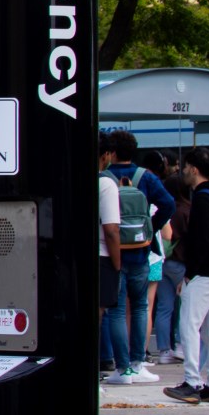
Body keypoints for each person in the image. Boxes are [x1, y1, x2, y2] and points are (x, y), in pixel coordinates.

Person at [102, 129, 173, 384]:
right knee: (141, 306)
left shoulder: (104, 177)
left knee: (118, 311)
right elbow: (169, 204)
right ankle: (138, 362)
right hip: (142, 252)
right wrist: (150, 228)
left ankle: (122, 370)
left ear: (111, 152)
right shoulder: (146, 177)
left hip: (113, 252)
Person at [163, 148, 209, 404]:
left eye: (185, 168)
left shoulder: (203, 198)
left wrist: (189, 275)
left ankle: (192, 381)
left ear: (193, 168)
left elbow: (200, 241)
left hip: (204, 272)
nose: (183, 173)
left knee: (189, 324)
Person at [154, 169, 191, 364]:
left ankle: (163, 351)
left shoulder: (164, 209)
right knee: (184, 306)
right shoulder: (187, 210)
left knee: (164, 307)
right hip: (180, 264)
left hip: (163, 262)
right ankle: (179, 345)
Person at [99, 137, 121, 330]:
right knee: (96, 314)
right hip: (102, 257)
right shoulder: (106, 184)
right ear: (105, 155)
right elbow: (111, 230)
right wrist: (117, 264)